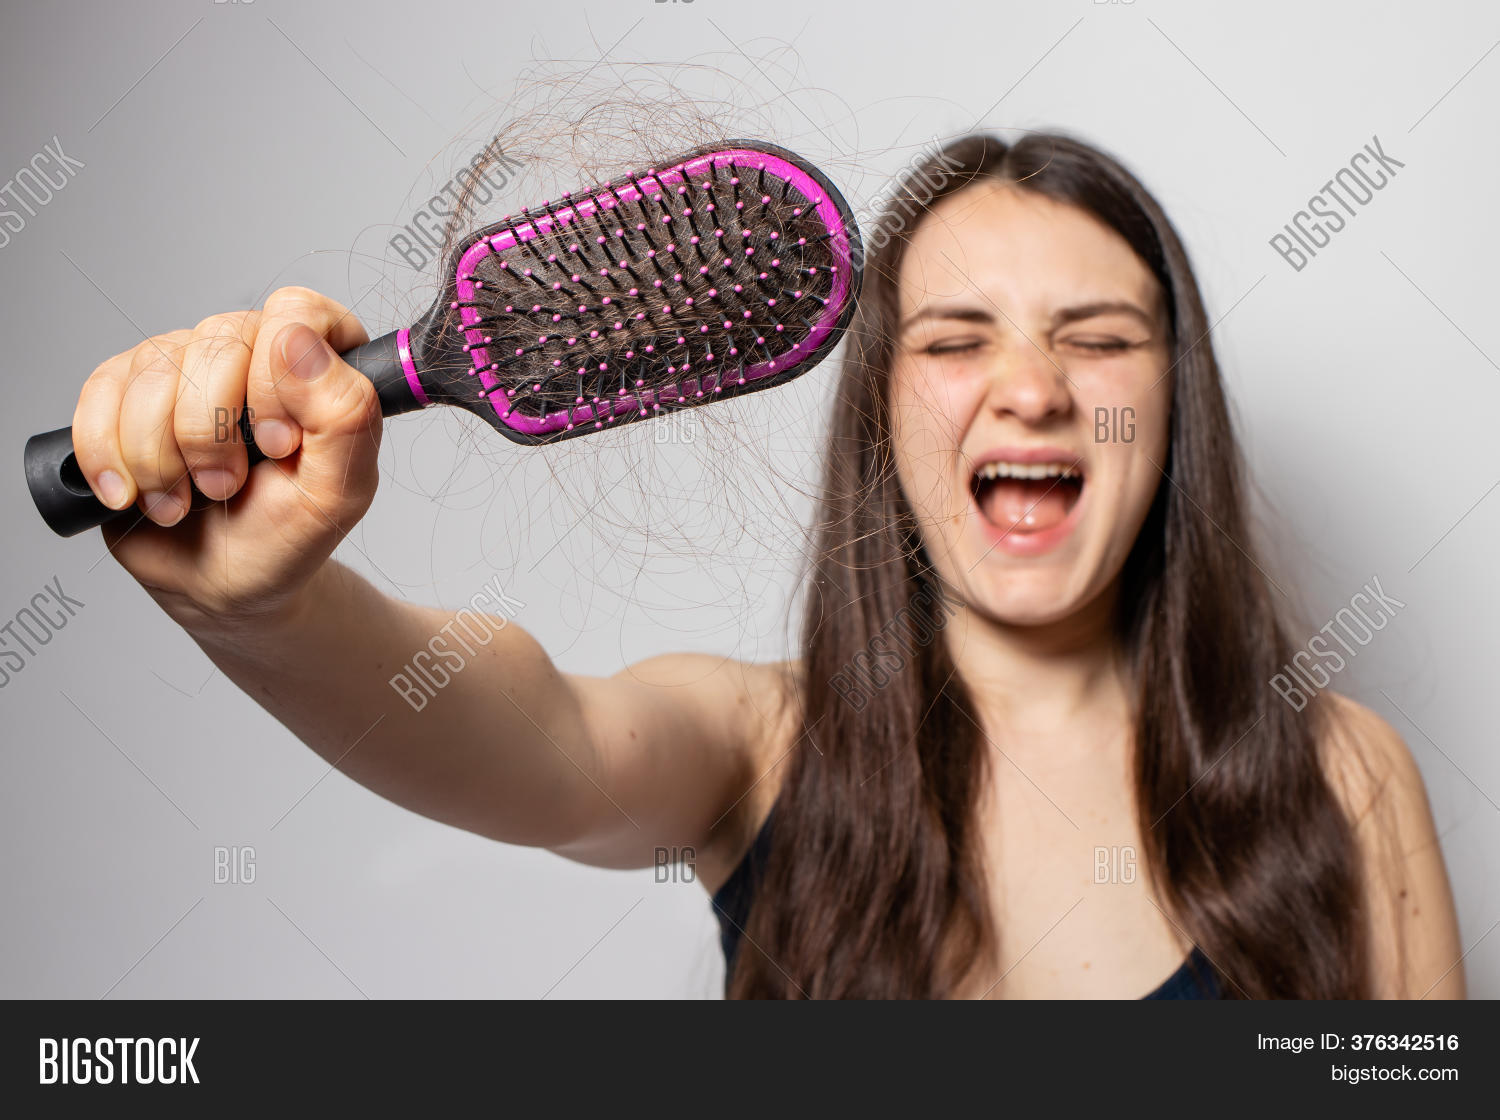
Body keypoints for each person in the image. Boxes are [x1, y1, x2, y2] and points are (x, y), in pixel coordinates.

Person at [69, 130, 1463, 998]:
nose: (1034, 389)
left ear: (1172, 406)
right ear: (883, 416)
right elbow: (533, 734)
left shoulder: (1342, 779)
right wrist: (270, 612)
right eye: (955, 339)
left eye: (1097, 339)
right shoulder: (761, 749)